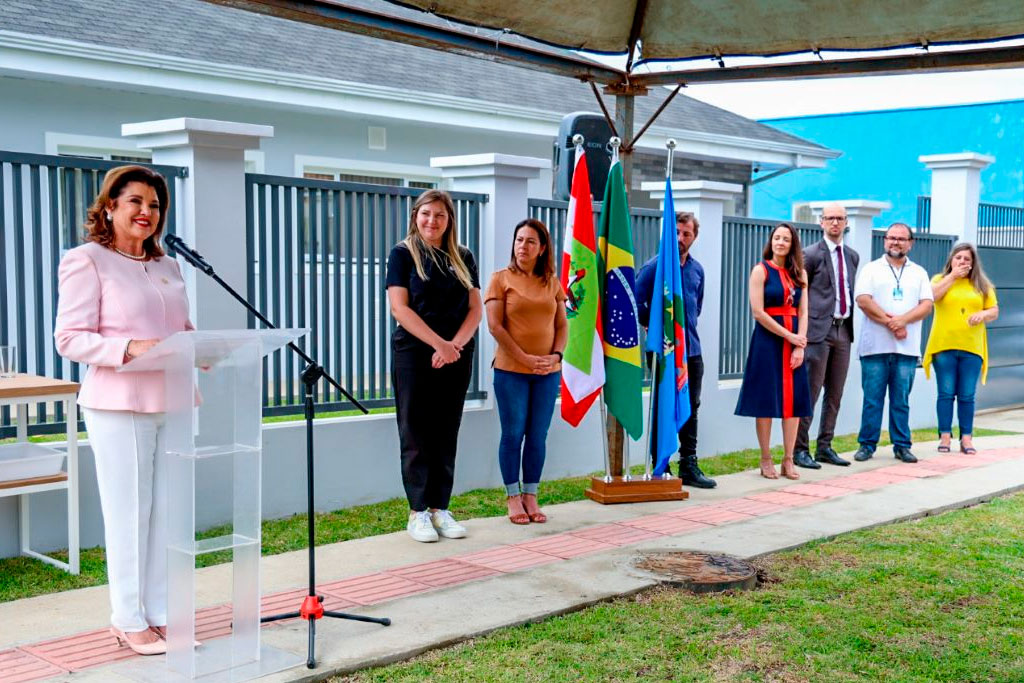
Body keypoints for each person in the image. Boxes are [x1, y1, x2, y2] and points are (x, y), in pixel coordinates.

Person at [54, 165, 194, 656]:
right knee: (130, 514)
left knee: (167, 514)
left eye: (154, 205)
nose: (146, 212)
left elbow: (182, 328)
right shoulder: (86, 260)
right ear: (109, 207)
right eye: (135, 201)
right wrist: (129, 347)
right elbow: (69, 338)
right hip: (119, 403)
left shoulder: (168, 266)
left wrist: (208, 349)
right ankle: (128, 618)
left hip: (174, 399)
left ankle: (158, 613)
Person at [386, 189, 482, 543]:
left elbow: (475, 309)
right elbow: (400, 309)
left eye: (440, 215)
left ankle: (441, 508)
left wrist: (454, 345)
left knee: (446, 430)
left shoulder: (464, 257)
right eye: (426, 214)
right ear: (416, 216)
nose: (432, 221)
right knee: (415, 431)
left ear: (449, 220)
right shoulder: (402, 254)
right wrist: (438, 343)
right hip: (414, 353)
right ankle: (418, 512)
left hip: (456, 355)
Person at [484, 218, 567, 525]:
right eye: (519, 240)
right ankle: (512, 497)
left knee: (537, 435)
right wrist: (524, 358)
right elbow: (495, 326)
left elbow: (561, 324)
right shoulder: (500, 279)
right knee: (513, 432)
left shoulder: (551, 282)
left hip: (547, 371)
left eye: (531, 241)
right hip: (511, 371)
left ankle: (531, 494)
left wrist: (556, 355)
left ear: (542, 248)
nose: (523, 246)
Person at [635, 212, 716, 488]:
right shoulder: (654, 268)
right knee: (664, 404)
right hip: (664, 352)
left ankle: (688, 464)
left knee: (691, 406)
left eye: (686, 234)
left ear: (694, 237)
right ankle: (661, 464)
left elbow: (696, 308)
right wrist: (654, 326)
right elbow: (637, 303)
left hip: (691, 351)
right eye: (677, 233)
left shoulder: (697, 271)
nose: (680, 239)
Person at [734, 223, 812, 480]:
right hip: (767, 342)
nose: (780, 242)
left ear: (792, 244)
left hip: (794, 342)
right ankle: (765, 458)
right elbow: (758, 312)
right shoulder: (761, 270)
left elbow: (803, 311)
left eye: (786, 239)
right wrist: (789, 336)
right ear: (771, 241)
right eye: (777, 238)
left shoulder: (800, 273)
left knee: (794, 403)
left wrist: (799, 343)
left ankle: (788, 459)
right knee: (766, 400)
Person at [853, 222, 934, 463]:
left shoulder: (919, 272)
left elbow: (926, 305)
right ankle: (867, 445)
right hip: (874, 348)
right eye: (891, 238)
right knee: (872, 400)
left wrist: (901, 322)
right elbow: (863, 301)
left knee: (901, 401)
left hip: (906, 350)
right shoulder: (871, 269)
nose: (895, 242)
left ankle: (902, 446)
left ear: (910, 243)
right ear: (884, 241)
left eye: (901, 239)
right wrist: (893, 324)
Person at [793, 203, 859, 469]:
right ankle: (799, 449)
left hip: (843, 329)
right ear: (821, 222)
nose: (835, 223)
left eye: (840, 219)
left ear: (845, 223)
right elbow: (800, 294)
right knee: (811, 391)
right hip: (818, 331)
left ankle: (825, 446)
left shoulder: (852, 256)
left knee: (836, 393)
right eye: (830, 218)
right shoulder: (810, 254)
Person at [923, 243, 999, 454]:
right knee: (946, 393)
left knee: (967, 395)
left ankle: (967, 439)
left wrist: (983, 315)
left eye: (967, 259)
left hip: (971, 348)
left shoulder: (982, 285)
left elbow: (994, 310)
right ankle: (945, 437)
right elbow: (931, 298)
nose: (963, 262)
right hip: (944, 346)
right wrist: (953, 277)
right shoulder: (939, 280)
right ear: (951, 260)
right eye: (959, 258)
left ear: (973, 263)